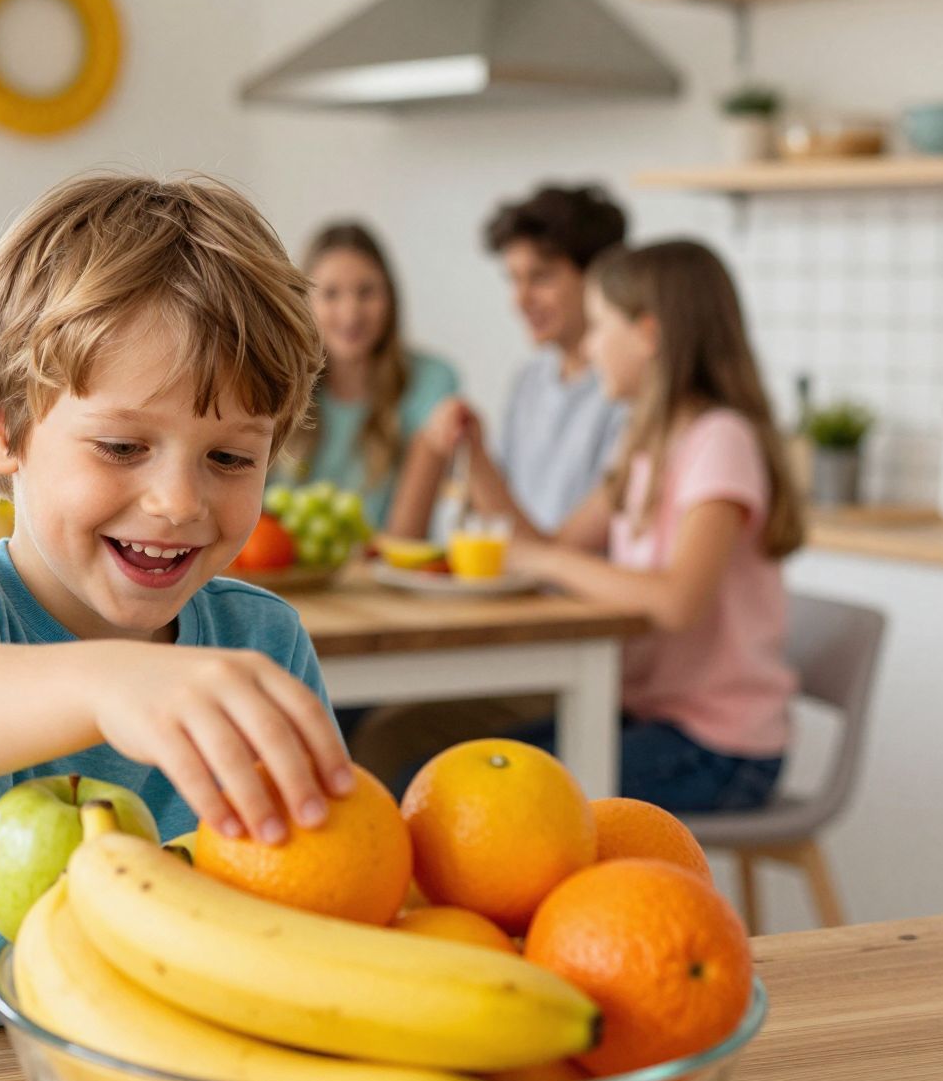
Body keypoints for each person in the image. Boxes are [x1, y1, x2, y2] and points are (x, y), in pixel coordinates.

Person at [0, 173, 351, 1049]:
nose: (177, 502)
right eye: (124, 446)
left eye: (232, 459)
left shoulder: (262, 642)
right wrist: (109, 682)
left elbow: (318, 886)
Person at [498, 238, 805, 811]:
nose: (587, 348)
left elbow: (677, 602)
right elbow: (549, 544)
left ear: (648, 335)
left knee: (508, 808)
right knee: (445, 775)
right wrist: (473, 456)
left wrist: (545, 562)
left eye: (597, 327)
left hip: (719, 745)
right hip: (644, 717)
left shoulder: (720, 440)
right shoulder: (645, 446)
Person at [388, 184, 630, 540]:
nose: (520, 300)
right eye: (514, 280)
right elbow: (496, 523)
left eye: (541, 277)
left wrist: (477, 457)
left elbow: (560, 553)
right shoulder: (530, 380)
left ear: (597, 276)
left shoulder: (627, 394)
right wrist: (467, 445)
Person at [284, 221, 458, 531]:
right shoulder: (279, 382)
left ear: (390, 298)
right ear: (304, 303)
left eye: (366, 292)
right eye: (331, 294)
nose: (351, 313)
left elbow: (405, 536)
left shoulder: (432, 382)